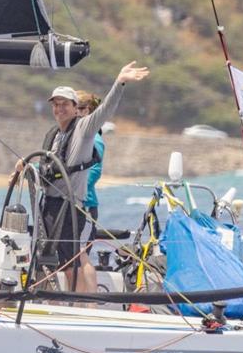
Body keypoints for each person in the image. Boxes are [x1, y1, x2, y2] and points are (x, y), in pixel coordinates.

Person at [15, 61, 149, 293]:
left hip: (70, 208)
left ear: (75, 107)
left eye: (64, 104)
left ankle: (80, 304)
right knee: (54, 260)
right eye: (55, 105)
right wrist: (27, 166)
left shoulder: (84, 129)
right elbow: (50, 168)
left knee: (72, 263)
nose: (59, 109)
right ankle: (64, 300)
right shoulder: (56, 134)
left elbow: (105, 109)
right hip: (49, 205)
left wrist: (120, 82)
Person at [74, 90, 105, 290]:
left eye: (80, 109)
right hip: (71, 204)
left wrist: (73, 186)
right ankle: (77, 300)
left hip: (85, 205)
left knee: (80, 254)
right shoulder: (75, 138)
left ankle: (91, 302)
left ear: (90, 111)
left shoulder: (95, 139)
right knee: (72, 255)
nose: (76, 113)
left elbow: (94, 171)